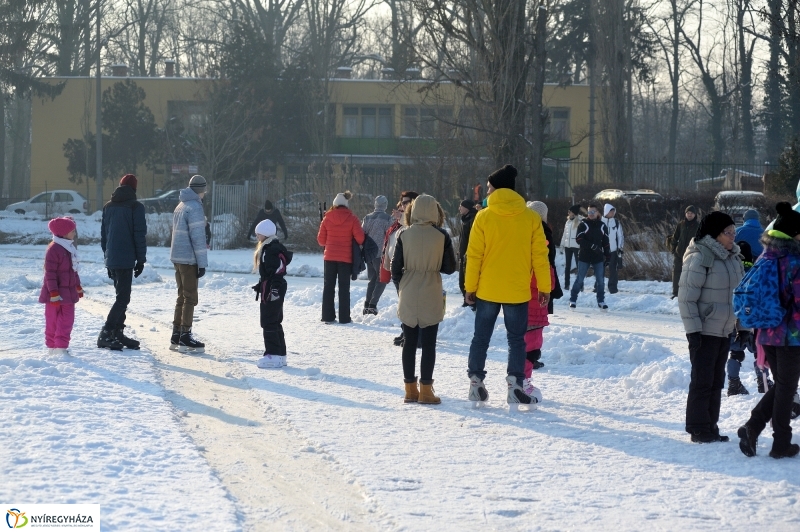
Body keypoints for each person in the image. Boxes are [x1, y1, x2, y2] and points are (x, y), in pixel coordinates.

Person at [465, 164, 551, 410]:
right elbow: (540, 257)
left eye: (489, 187)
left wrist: (470, 287)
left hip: (487, 289)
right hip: (517, 290)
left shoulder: (483, 217)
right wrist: (544, 288)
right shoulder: (531, 218)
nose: (487, 192)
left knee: (481, 338)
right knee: (516, 340)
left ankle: (475, 382)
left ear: (498, 188)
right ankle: (515, 387)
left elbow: (474, 256)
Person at [738, 202, 800, 458]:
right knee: (786, 388)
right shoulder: (794, 260)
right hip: (790, 336)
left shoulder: (766, 255)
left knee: (782, 386)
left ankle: (753, 427)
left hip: (766, 333)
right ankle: (780, 443)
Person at [678, 211, 743, 443]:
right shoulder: (700, 257)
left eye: (734, 232)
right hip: (704, 331)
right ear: (714, 234)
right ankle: (698, 428)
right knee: (702, 381)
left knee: (717, 381)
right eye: (727, 232)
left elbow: (740, 297)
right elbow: (686, 298)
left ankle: (710, 425)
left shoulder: (734, 258)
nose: (732, 236)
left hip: (724, 330)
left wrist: (742, 327)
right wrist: (693, 331)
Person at [392, 195, 457, 404]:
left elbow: (394, 269)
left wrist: (402, 286)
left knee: (409, 342)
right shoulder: (442, 236)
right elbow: (449, 267)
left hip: (408, 289)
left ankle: (410, 389)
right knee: (429, 344)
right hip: (431, 290)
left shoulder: (403, 234)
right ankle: (426, 391)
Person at [98, 173, 147, 351]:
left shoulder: (108, 206)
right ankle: (106, 332)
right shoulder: (135, 207)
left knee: (121, 297)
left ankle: (117, 333)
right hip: (126, 258)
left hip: (112, 257)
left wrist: (107, 257)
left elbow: (104, 235)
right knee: (123, 298)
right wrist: (141, 260)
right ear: (134, 188)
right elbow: (139, 235)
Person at [170, 174, 209, 352]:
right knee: (191, 297)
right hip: (188, 259)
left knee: (182, 296)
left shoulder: (180, 205)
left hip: (177, 257)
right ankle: (185, 335)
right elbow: (198, 238)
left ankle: (176, 334)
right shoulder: (194, 207)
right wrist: (202, 263)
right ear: (202, 190)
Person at [523, 201, 557, 396]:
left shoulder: (519, 237)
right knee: (532, 347)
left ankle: (518, 379)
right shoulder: (542, 240)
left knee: (519, 344)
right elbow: (547, 278)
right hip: (536, 303)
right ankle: (523, 382)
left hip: (519, 301)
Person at [317, 191, 365, 324]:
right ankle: (344, 318)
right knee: (344, 288)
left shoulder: (327, 218)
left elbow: (321, 241)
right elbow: (360, 239)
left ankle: (327, 316)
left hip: (330, 257)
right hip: (346, 258)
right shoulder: (352, 218)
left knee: (328, 287)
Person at [252, 219, 293, 369]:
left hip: (273, 288)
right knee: (275, 321)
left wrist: (272, 288)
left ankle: (273, 354)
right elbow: (272, 271)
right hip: (273, 286)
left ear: (266, 234)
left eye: (259, 234)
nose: (257, 237)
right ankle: (281, 355)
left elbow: (275, 271)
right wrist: (261, 285)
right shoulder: (273, 247)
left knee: (268, 321)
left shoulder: (269, 250)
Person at [381, 191, 419, 346]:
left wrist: (401, 218)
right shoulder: (399, 222)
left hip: (407, 268)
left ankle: (412, 335)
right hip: (397, 267)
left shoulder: (413, 219)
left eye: (406, 202)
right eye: (401, 203)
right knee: (403, 304)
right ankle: (406, 331)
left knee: (409, 304)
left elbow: (411, 228)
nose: (402, 205)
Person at [41, 217, 83, 355]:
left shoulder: (69, 249)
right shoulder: (54, 249)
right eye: (72, 231)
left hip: (68, 294)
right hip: (54, 294)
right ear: (64, 233)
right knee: (52, 320)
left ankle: (61, 347)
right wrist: (53, 292)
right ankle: (52, 347)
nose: (74, 234)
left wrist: (77, 286)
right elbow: (50, 273)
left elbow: (73, 271)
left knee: (66, 320)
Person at [726, 241, 755, 396]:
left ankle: (733, 382)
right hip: (750, 323)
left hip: (730, 320)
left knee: (736, 353)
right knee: (759, 352)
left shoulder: (731, 271)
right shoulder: (754, 273)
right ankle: (763, 381)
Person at [569, 204, 610, 310]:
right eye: (589, 212)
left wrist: (608, 256)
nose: (591, 214)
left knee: (600, 280)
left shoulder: (602, 226)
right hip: (584, 256)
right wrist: (591, 246)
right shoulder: (583, 224)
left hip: (598, 257)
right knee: (580, 279)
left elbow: (606, 242)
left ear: (597, 213)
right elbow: (579, 239)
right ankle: (573, 299)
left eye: (593, 212)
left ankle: (601, 300)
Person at [361, 195, 392, 315]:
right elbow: (390, 235)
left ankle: (367, 305)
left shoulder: (367, 218)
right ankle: (373, 305)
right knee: (382, 279)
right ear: (385, 205)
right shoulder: (387, 218)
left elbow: (362, 234)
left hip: (368, 254)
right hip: (380, 254)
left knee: (372, 279)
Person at [668, 205, 699, 299]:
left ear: (695, 215)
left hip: (691, 255)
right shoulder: (680, 224)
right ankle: (676, 293)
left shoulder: (698, 226)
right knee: (677, 273)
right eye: (688, 213)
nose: (689, 215)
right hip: (679, 254)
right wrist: (673, 249)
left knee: (690, 275)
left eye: (691, 213)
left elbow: (701, 240)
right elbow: (675, 237)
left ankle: (688, 294)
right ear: (685, 214)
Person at [457, 199, 478, 308]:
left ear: (467, 207)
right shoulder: (466, 219)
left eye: (461, 206)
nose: (459, 208)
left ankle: (470, 302)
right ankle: (467, 301)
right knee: (462, 281)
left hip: (469, 256)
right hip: (463, 255)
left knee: (466, 281)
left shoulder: (473, 219)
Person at [602, 203, 624, 294]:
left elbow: (620, 236)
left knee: (613, 270)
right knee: (600, 269)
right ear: (607, 212)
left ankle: (613, 288)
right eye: (611, 211)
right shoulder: (600, 222)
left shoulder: (616, 223)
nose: (613, 213)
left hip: (613, 250)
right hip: (602, 251)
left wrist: (620, 247)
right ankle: (598, 286)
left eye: (614, 211)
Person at [561, 204, 583, 290]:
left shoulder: (579, 222)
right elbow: (564, 234)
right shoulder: (568, 222)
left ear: (573, 213)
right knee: (567, 266)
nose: (568, 213)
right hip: (568, 246)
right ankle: (567, 284)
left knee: (579, 265)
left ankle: (580, 285)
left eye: (570, 211)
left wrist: (581, 245)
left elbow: (581, 235)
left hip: (577, 246)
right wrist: (562, 244)